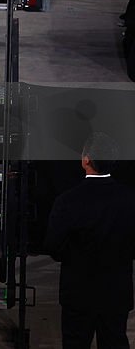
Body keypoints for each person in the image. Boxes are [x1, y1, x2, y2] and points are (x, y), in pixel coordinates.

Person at [44, 133, 135, 349]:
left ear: (85, 160)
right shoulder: (130, 199)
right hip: (116, 291)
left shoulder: (67, 200)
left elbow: (52, 246)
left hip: (78, 292)